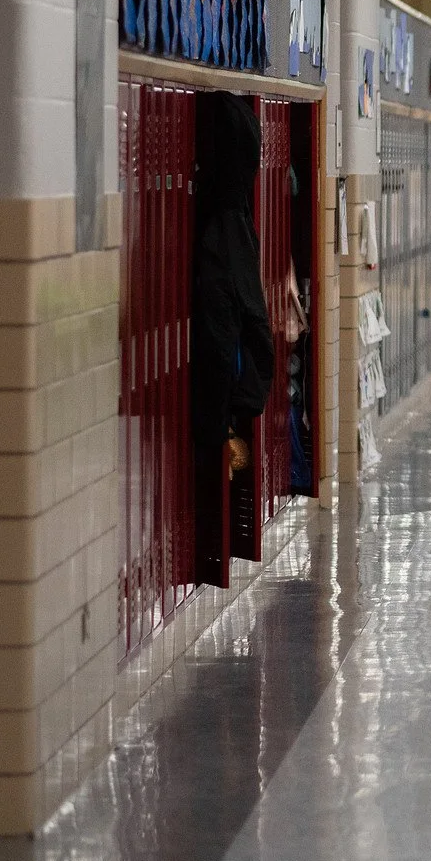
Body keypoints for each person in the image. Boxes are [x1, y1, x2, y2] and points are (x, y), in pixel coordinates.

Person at [190, 91, 276, 586]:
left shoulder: (224, 225)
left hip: (222, 390)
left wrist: (213, 422)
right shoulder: (237, 222)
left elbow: (228, 330)